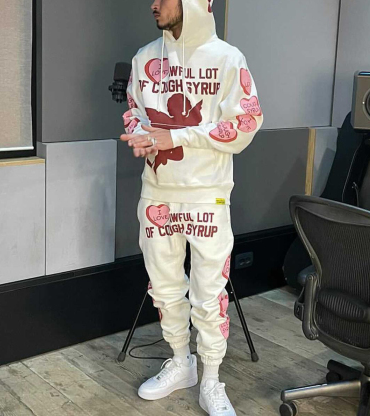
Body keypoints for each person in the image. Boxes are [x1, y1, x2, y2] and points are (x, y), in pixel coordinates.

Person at [120, 0, 263, 414]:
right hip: (157, 192)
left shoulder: (227, 59)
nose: (154, 5)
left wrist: (178, 136)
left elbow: (246, 125)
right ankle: (181, 362)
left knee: (209, 292)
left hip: (207, 193)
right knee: (164, 287)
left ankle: (212, 379)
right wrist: (142, 134)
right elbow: (133, 111)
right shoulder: (145, 58)